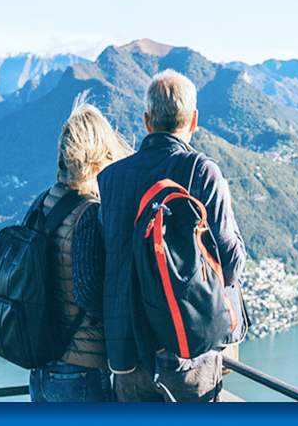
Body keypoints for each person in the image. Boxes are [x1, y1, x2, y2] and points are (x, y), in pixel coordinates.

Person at [98, 70, 247, 402]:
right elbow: (231, 264)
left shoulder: (109, 179)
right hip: (185, 353)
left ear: (147, 120)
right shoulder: (202, 171)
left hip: (126, 356)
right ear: (194, 120)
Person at [28, 96, 134, 402]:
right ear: (99, 155)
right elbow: (88, 291)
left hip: (41, 368)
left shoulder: (43, 203)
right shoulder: (88, 212)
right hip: (79, 370)